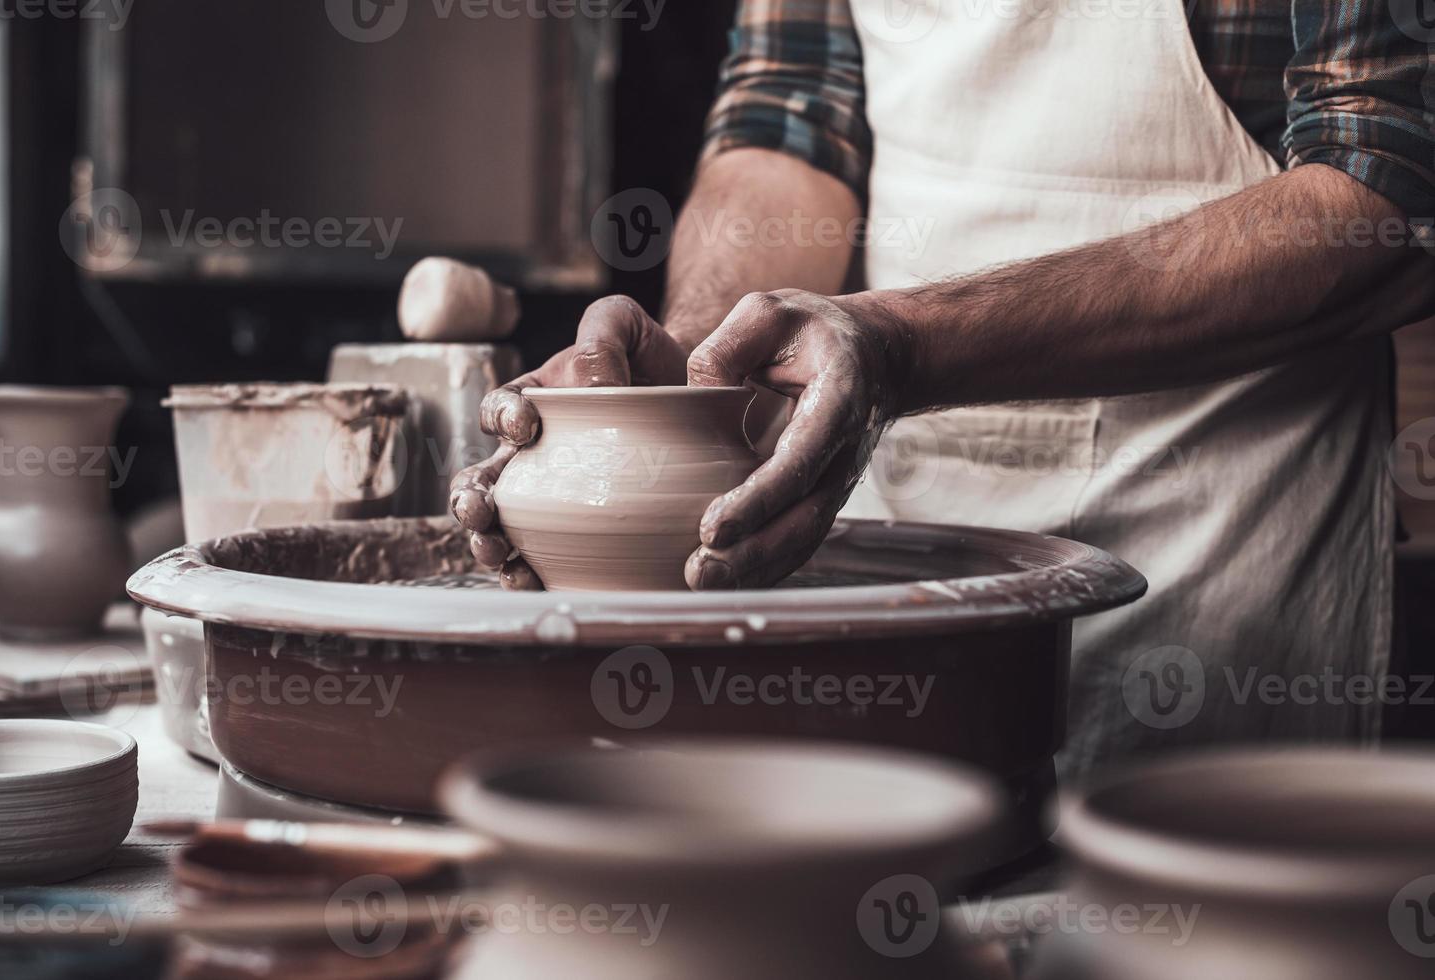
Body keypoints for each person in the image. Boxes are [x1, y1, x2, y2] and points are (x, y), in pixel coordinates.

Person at [452, 0, 1435, 776]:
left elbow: (1388, 186)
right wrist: (703, 363)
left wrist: (904, 347)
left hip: (1222, 530)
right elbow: (792, 115)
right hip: (876, 509)